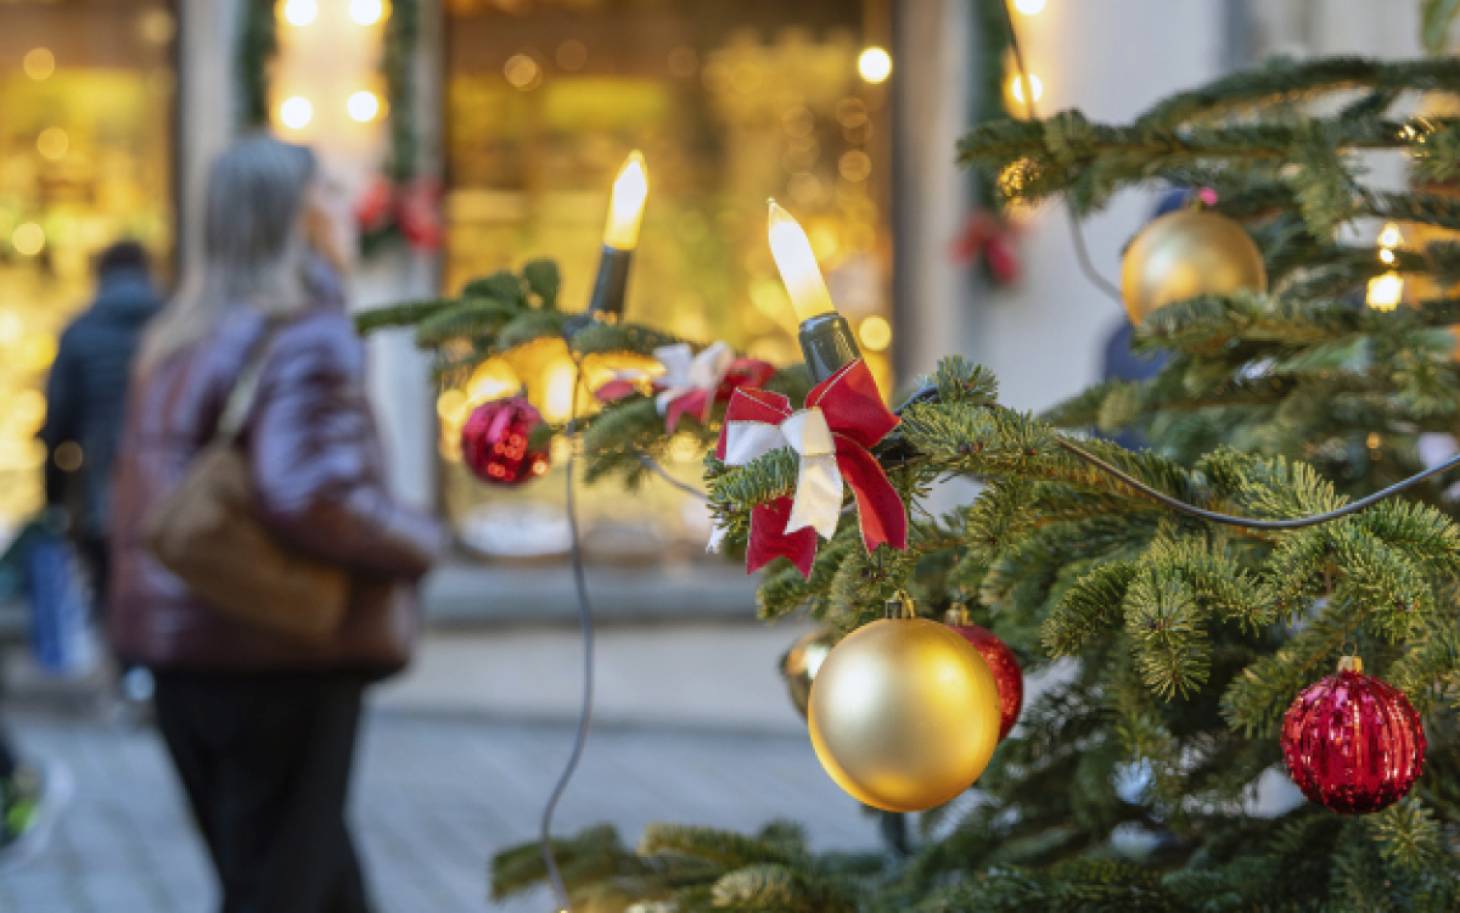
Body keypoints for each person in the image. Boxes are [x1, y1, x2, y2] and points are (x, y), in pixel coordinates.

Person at [110, 135, 445, 913]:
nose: (351, 207)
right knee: (281, 884)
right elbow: (310, 493)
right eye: (329, 192)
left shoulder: (174, 337)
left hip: (182, 651)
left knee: (298, 874)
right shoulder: (308, 331)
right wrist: (419, 539)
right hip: (280, 650)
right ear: (293, 220)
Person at [39, 240, 162, 702]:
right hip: (169, 485)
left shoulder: (81, 331)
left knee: (112, 584)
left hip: (102, 484)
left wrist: (52, 499)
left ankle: (130, 673)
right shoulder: (173, 320)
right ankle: (154, 671)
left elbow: (57, 425)